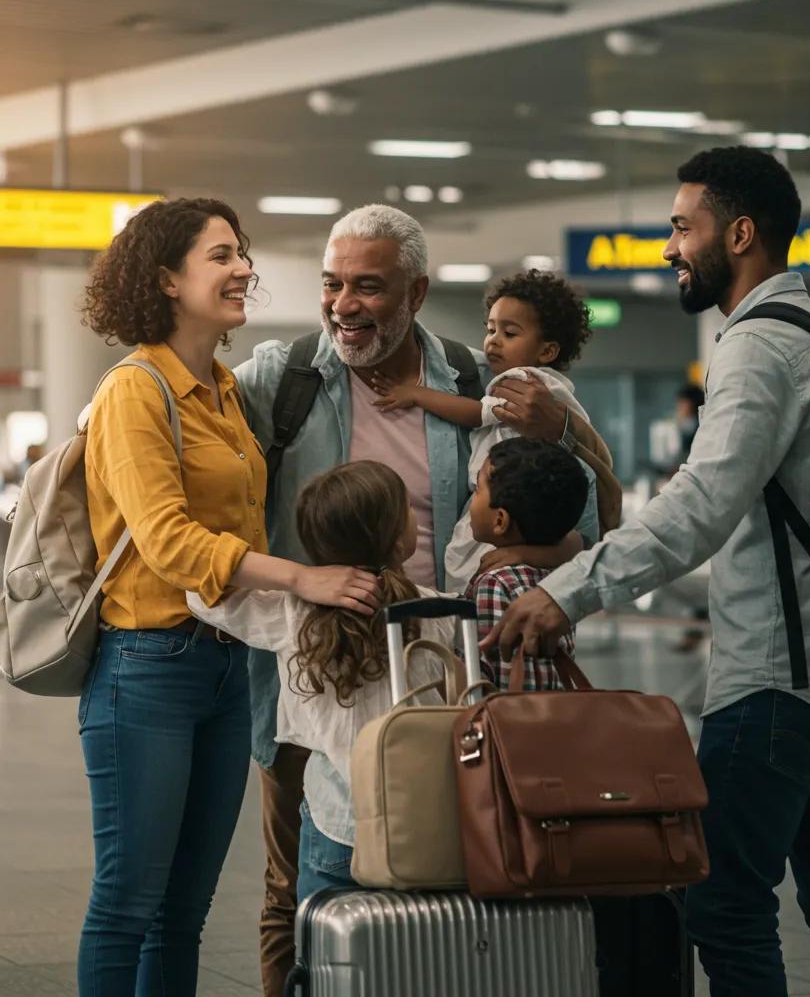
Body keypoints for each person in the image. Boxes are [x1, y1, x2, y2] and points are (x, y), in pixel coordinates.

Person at [483, 147, 810, 997]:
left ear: (741, 233)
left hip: (782, 683)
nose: (669, 247)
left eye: (683, 227)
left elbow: (700, 508)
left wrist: (566, 589)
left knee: (720, 902)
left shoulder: (758, 348)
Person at [231, 204, 609, 997]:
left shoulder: (480, 386)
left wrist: (572, 436)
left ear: (418, 292)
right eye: (334, 284)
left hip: (444, 685)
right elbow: (185, 419)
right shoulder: (287, 377)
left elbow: (571, 522)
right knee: (290, 891)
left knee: (441, 880)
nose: (344, 305)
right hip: (316, 679)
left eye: (368, 287)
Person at [77, 198, 378, 997]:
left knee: (186, 910)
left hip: (226, 666)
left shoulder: (219, 389)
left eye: (241, 252)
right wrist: (300, 578)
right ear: (167, 278)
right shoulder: (135, 391)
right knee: (128, 903)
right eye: (221, 255)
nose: (244, 268)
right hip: (145, 667)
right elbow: (166, 539)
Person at [187, 460, 457, 901]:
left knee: (324, 950)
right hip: (418, 822)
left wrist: (294, 578)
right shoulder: (436, 613)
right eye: (406, 507)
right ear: (393, 537)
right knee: (411, 946)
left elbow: (197, 591)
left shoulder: (290, 612)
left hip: (335, 820)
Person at [370, 268, 608, 594]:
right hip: (535, 520)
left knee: (468, 565)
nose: (493, 340)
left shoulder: (523, 383)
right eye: (491, 328)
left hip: (513, 503)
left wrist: (416, 393)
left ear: (548, 351)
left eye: (510, 333)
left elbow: (476, 414)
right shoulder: (558, 392)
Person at [465, 437, 588, 690]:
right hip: (555, 719)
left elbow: (493, 680)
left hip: (511, 725)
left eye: (477, 489)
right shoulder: (561, 573)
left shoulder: (495, 582)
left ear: (500, 521)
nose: (472, 499)